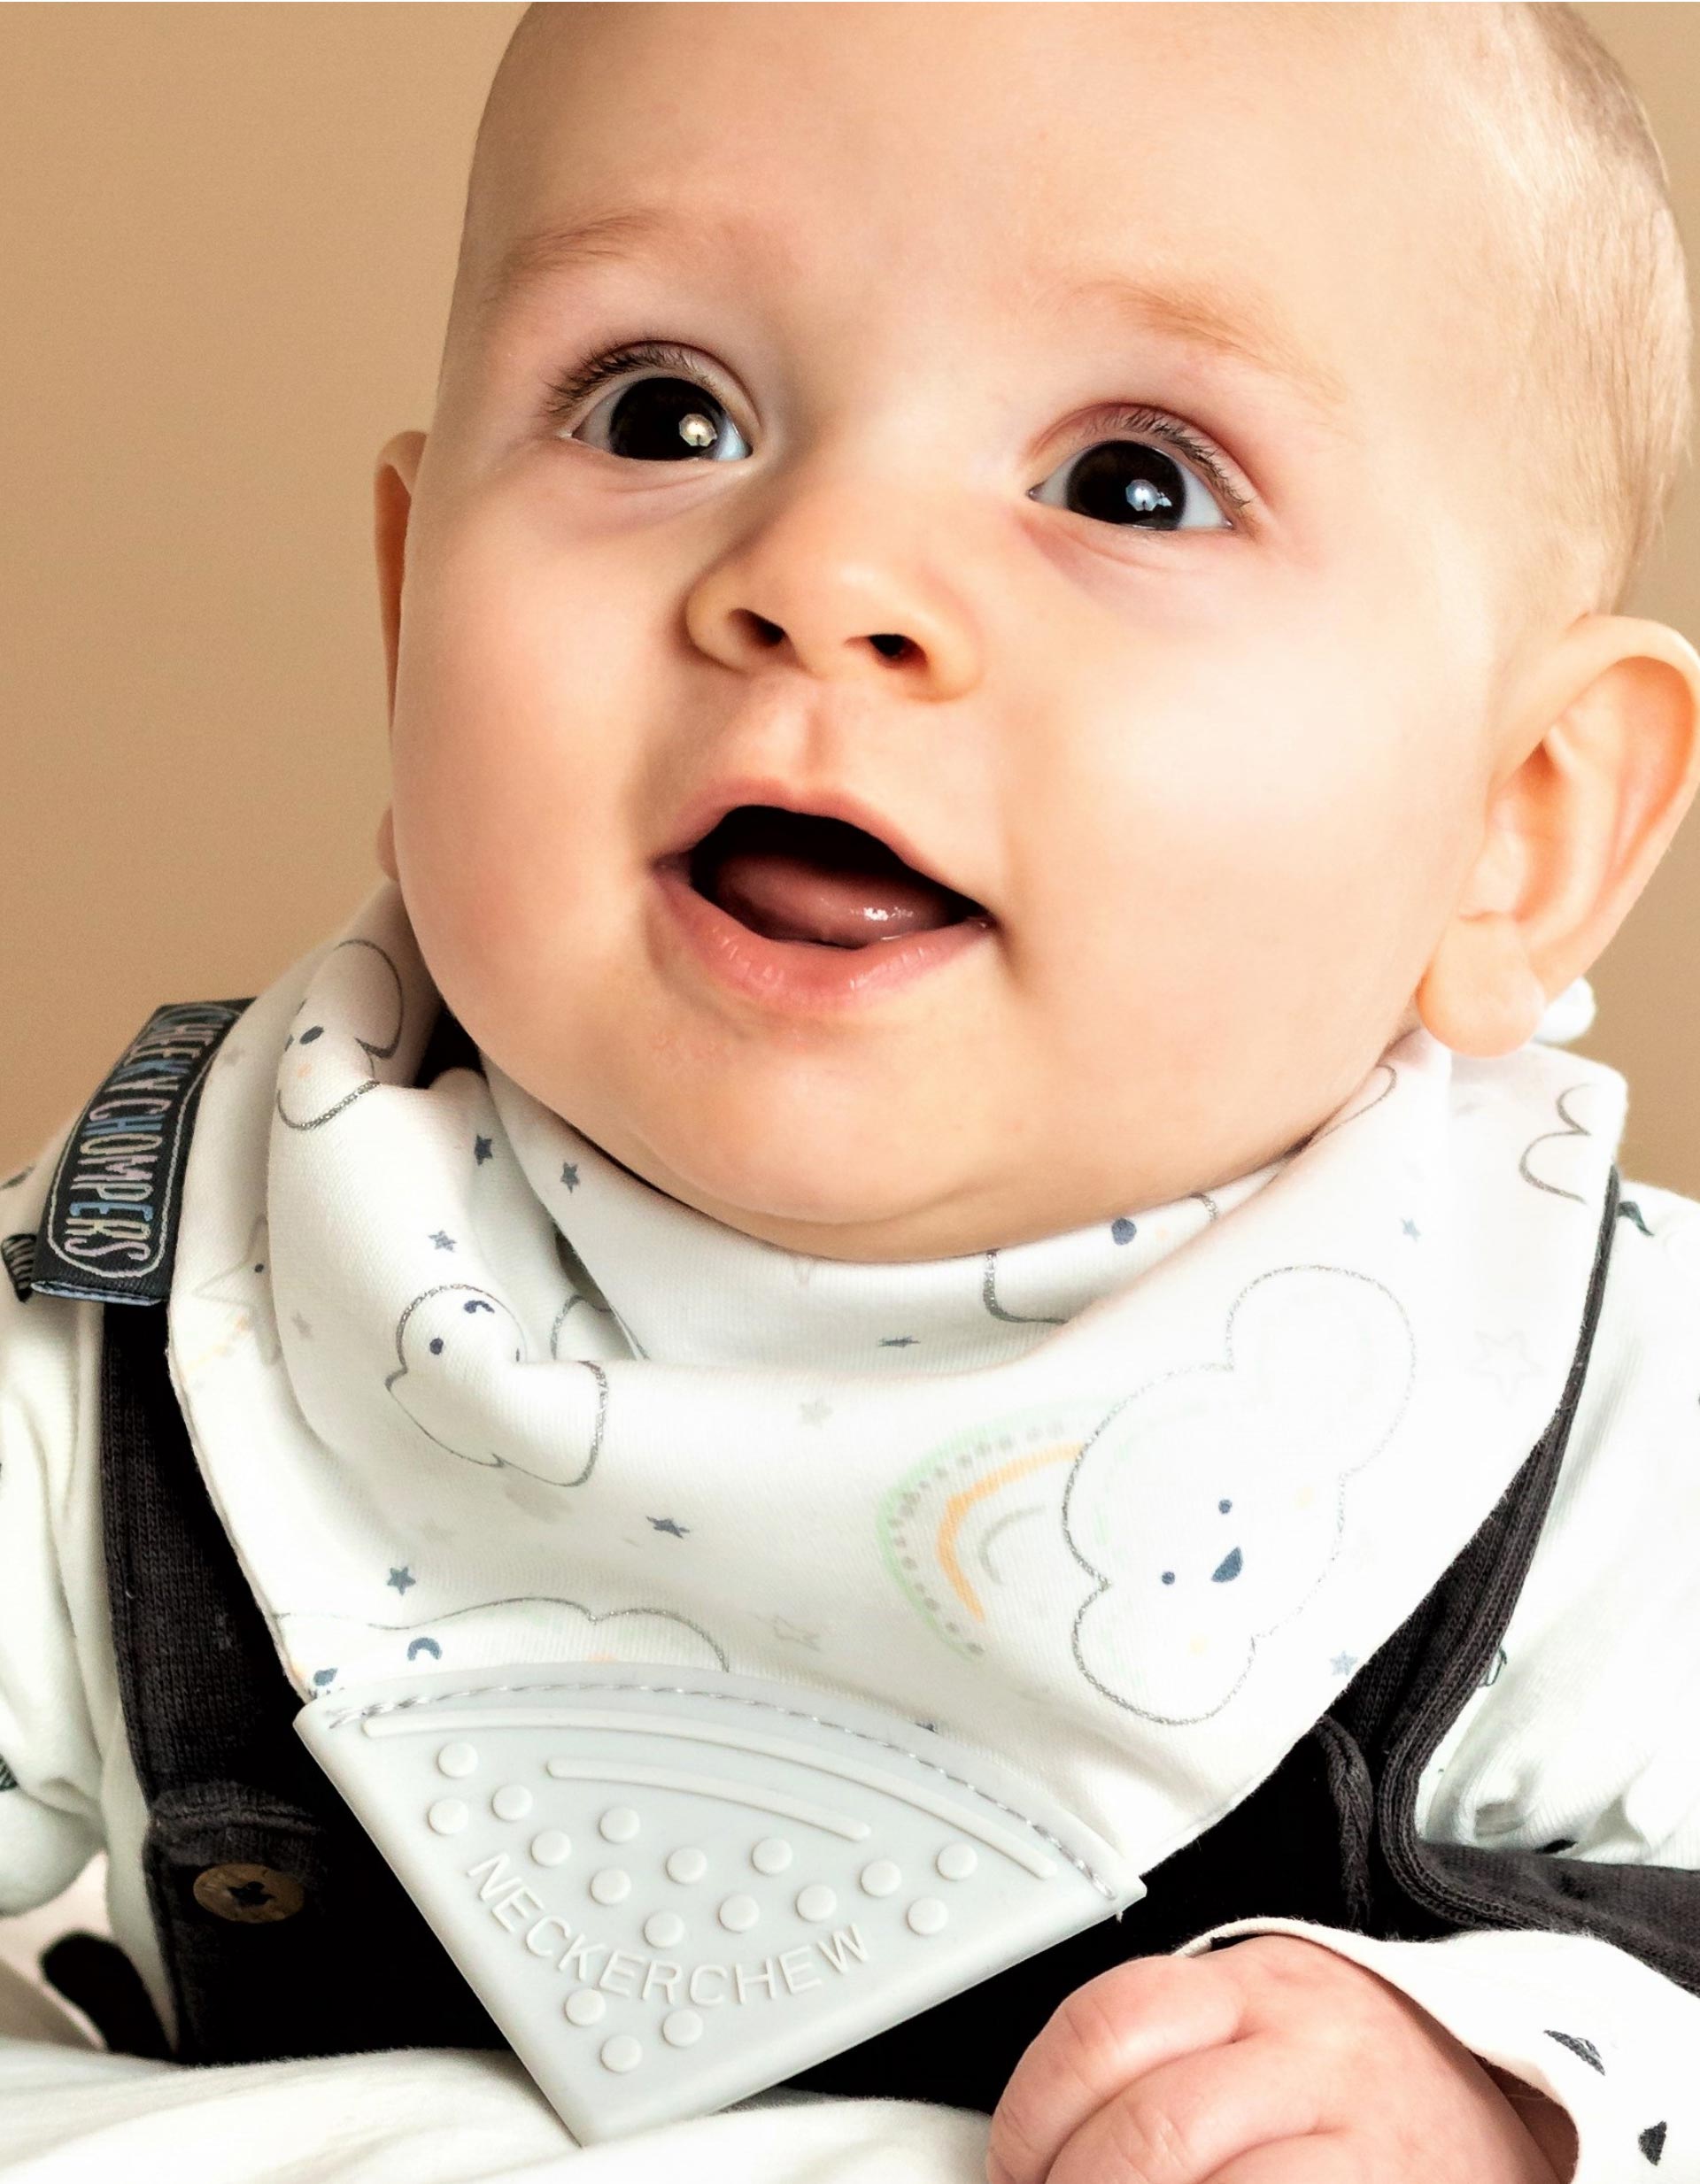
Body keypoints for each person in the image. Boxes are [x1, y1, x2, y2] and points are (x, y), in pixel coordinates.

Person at [4, 4, 1700, 2179]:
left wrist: (1510, 2090)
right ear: (410, 600)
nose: (823, 577)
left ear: (1518, 826)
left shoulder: (1594, 1407)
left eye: (1133, 482)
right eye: (662, 409)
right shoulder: (166, 1304)